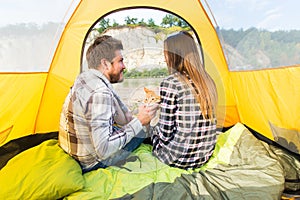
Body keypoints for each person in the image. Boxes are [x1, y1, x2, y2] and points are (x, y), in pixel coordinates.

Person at [59, 35, 157, 173]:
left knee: (134, 126)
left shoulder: (86, 79)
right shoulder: (100, 93)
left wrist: (134, 118)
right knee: (142, 132)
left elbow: (124, 118)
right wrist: (140, 122)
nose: (124, 66)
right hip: (91, 162)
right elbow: (103, 150)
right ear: (105, 63)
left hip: (76, 150)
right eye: (120, 61)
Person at [150, 31, 218, 170]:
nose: (165, 60)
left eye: (166, 55)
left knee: (148, 130)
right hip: (203, 156)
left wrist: (151, 127)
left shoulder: (171, 82)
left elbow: (165, 133)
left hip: (178, 159)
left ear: (174, 56)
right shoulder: (208, 81)